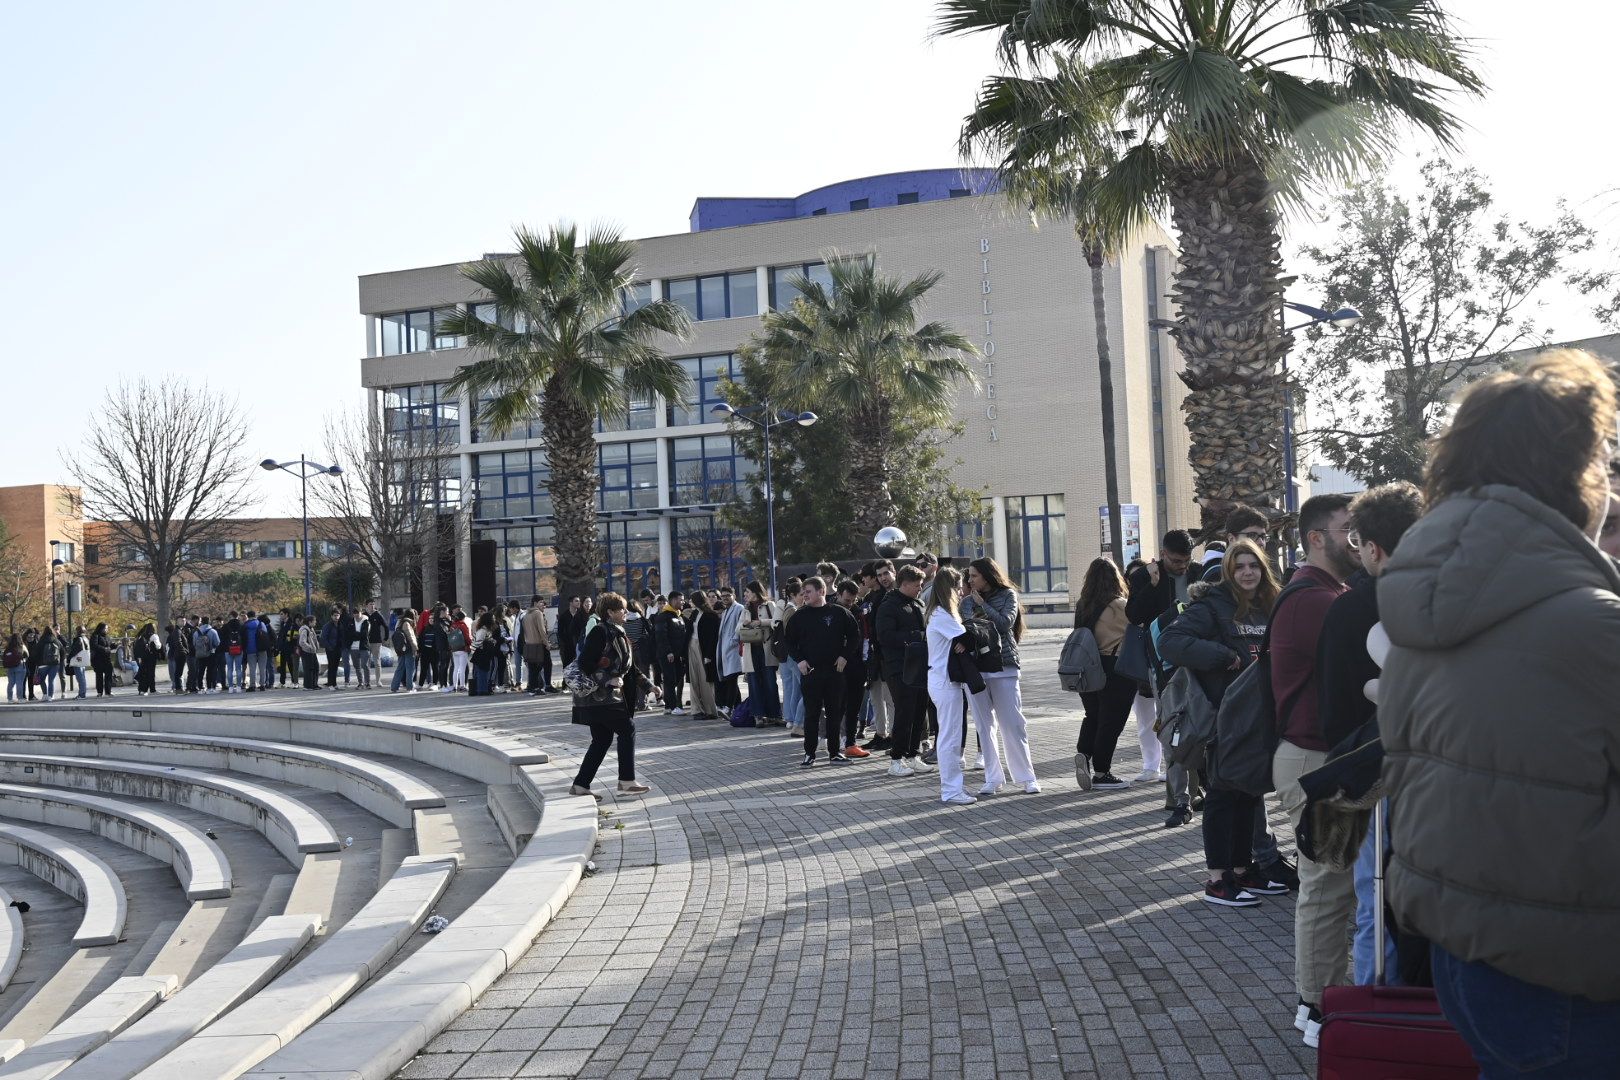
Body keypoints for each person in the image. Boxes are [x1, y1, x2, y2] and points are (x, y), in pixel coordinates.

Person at [1379, 348, 1620, 1077]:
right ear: (1579, 474)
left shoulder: (1419, 607)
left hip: (1466, 950)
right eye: (1607, 458)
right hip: (1573, 970)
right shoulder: (1593, 625)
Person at [1313, 482, 1423, 988]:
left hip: (1374, 779)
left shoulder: (1351, 607)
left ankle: (1378, 1014)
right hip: (1444, 777)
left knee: (1373, 904)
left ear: (1373, 548)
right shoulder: (1452, 593)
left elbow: (1334, 709)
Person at [1269, 492, 1358, 1046]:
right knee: (1326, 887)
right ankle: (1318, 1006)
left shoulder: (1327, 593)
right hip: (1313, 759)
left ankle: (1317, 1001)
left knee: (1329, 886)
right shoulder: (1315, 600)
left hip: (1316, 757)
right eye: (1348, 530)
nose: (1357, 539)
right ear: (1316, 538)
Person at [1157, 540, 1286, 909]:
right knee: (1221, 796)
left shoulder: (1269, 605)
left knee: (1249, 792)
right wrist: (1224, 656)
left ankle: (1244, 870)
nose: (1248, 572)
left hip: (1259, 717)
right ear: (1229, 570)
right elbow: (1171, 641)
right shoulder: (1213, 606)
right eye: (1240, 566)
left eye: (1254, 566)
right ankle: (1217, 879)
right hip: (1223, 717)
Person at [1127, 529, 1195, 820]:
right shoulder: (1144, 576)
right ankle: (1177, 798)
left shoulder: (1198, 573)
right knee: (1172, 727)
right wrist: (1154, 584)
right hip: (1163, 663)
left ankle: (1197, 791)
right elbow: (1134, 615)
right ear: (1163, 553)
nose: (1182, 566)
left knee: (1200, 726)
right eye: (1177, 561)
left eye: (1186, 561)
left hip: (1196, 658)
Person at [960, 557, 1039, 796]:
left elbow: (1005, 624)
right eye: (969, 576)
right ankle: (993, 778)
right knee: (984, 725)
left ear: (987, 575)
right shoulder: (965, 602)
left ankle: (1027, 777)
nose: (970, 580)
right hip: (976, 667)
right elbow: (966, 628)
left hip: (1004, 665)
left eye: (974, 576)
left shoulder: (1007, 595)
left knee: (1013, 724)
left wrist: (983, 605)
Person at [568, 592, 656, 800]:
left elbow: (630, 669)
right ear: (610, 612)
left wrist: (650, 686)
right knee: (627, 729)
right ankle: (626, 781)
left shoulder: (617, 632)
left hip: (606, 698)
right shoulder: (600, 632)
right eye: (622, 609)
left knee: (601, 740)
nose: (626, 612)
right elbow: (585, 663)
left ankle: (581, 784)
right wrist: (607, 680)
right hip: (601, 697)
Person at [1073, 558, 1137, 790]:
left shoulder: (1083, 605)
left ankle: (1084, 753)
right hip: (1115, 666)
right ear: (1115, 578)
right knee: (1112, 720)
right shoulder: (1120, 605)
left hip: (1087, 666)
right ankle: (1102, 772)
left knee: (1094, 715)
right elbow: (1140, 624)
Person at [784, 576, 860, 768]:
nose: (804, 595)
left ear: (821, 591)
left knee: (835, 713)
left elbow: (854, 636)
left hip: (835, 672)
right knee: (811, 714)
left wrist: (844, 656)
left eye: (808, 591)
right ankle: (809, 753)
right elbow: (789, 641)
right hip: (811, 673)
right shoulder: (799, 616)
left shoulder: (839, 613)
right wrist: (799, 660)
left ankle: (834, 753)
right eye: (803, 592)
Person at [925, 567, 976, 805]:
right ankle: (951, 790)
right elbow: (968, 636)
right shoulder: (942, 615)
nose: (960, 591)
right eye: (958, 587)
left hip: (942, 681)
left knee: (949, 736)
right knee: (950, 737)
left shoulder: (938, 613)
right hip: (945, 682)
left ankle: (954, 788)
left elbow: (963, 638)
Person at [875, 563, 932, 776]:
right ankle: (896, 760)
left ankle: (912, 755)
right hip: (898, 667)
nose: (920, 588)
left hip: (919, 666)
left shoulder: (917, 602)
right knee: (904, 712)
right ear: (905, 584)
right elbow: (885, 637)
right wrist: (916, 637)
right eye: (917, 585)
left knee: (919, 712)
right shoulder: (888, 605)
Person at [857, 560, 896, 751]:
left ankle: (894, 736)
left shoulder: (887, 597)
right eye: (879, 575)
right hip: (871, 654)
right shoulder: (869, 598)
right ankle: (881, 734)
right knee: (875, 695)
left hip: (886, 655)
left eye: (884, 574)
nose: (863, 581)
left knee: (889, 697)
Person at [833, 580, 871, 757]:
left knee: (854, 706)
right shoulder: (831, 612)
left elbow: (864, 637)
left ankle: (850, 742)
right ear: (838, 594)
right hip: (836, 666)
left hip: (856, 665)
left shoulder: (858, 611)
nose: (850, 603)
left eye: (853, 600)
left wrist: (864, 661)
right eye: (847, 600)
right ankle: (834, 741)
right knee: (837, 705)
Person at [740, 581, 783, 724]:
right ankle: (758, 716)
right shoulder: (745, 608)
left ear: (755, 592)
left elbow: (777, 621)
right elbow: (737, 630)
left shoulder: (769, 605)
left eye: (747, 591)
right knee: (754, 684)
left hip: (767, 649)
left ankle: (775, 715)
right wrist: (744, 624)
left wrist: (760, 622)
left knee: (770, 683)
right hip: (751, 651)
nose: (745, 594)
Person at [650, 592, 689, 715]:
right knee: (670, 679)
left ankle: (669, 705)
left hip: (678, 655)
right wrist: (668, 652)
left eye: (683, 600)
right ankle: (672, 707)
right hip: (668, 655)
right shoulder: (663, 616)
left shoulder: (678, 615)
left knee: (674, 678)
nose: (682, 602)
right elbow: (661, 636)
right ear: (672, 600)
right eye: (680, 600)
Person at [777, 579, 805, 736]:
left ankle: (793, 718)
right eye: (801, 594)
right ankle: (797, 721)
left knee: (796, 688)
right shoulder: (792, 610)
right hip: (793, 655)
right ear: (793, 595)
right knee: (805, 688)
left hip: (791, 655)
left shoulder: (792, 608)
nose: (804, 597)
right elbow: (792, 635)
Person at [687, 592, 720, 720]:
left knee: (705, 679)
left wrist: (709, 654)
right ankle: (696, 710)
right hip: (691, 646)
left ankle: (710, 710)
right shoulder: (694, 614)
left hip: (704, 649)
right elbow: (689, 631)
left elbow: (713, 637)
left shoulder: (711, 615)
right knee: (693, 678)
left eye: (692, 600)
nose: (690, 603)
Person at [715, 586, 746, 718]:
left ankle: (728, 708)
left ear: (734, 595)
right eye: (723, 596)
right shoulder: (726, 610)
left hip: (733, 650)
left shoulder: (739, 608)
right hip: (725, 650)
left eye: (728, 595)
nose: (725, 598)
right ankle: (738, 710)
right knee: (730, 680)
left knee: (731, 680)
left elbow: (740, 627)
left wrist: (733, 641)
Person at [521, 595, 553, 695]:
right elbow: (542, 630)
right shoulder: (538, 613)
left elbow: (524, 631)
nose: (543, 604)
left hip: (529, 644)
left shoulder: (526, 615)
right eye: (541, 602)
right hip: (540, 644)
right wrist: (547, 643)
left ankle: (533, 688)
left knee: (533, 668)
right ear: (535, 603)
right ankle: (547, 685)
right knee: (548, 664)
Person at [390, 609, 418, 693]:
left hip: (401, 648)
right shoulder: (407, 624)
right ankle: (410, 687)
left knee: (400, 667)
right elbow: (411, 638)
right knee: (410, 668)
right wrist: (415, 648)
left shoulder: (400, 622)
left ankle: (394, 687)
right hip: (408, 649)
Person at [89, 622, 117, 697]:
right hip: (98, 659)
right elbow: (94, 646)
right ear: (101, 628)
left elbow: (109, 645)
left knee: (109, 675)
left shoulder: (107, 637)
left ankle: (108, 691)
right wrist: (104, 649)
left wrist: (114, 645)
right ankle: (99, 692)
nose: (106, 630)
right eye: (105, 628)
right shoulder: (95, 636)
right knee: (99, 676)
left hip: (107, 659)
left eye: (107, 628)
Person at [35, 627, 63, 701]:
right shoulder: (56, 641)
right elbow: (62, 652)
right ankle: (50, 696)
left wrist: (37, 663)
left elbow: (36, 653)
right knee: (51, 680)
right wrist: (60, 662)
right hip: (55, 664)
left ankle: (44, 695)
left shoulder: (41, 641)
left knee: (42, 680)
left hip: (42, 664)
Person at [134, 622, 161, 696]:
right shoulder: (154, 636)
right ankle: (152, 689)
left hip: (143, 657)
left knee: (144, 673)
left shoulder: (141, 635)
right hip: (151, 657)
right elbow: (158, 646)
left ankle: (142, 689)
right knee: (151, 673)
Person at [320, 610, 344, 690]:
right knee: (331, 666)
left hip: (338, 648)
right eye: (334, 615)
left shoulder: (340, 624)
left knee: (336, 666)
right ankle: (330, 684)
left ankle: (334, 684)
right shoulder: (328, 626)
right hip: (331, 649)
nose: (336, 617)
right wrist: (330, 647)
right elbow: (324, 638)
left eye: (337, 615)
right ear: (331, 616)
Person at [557, 595, 583, 669]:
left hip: (579, 644)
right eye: (576, 601)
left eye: (579, 601)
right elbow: (560, 632)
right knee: (568, 665)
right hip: (568, 646)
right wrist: (564, 643)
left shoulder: (581, 615)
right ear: (571, 603)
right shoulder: (564, 616)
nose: (579, 603)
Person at [297, 615, 321, 690]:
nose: (315, 622)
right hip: (307, 652)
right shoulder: (305, 630)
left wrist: (316, 646)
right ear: (310, 622)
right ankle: (308, 686)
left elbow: (314, 639)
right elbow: (302, 642)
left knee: (315, 667)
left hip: (312, 652)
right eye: (314, 621)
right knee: (309, 669)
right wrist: (310, 647)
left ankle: (314, 684)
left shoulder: (311, 629)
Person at [3, 633, 27, 703]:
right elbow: (27, 654)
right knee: (19, 683)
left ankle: (10, 699)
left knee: (11, 683)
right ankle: (20, 698)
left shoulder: (8, 647)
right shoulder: (21, 646)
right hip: (19, 666)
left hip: (10, 667)